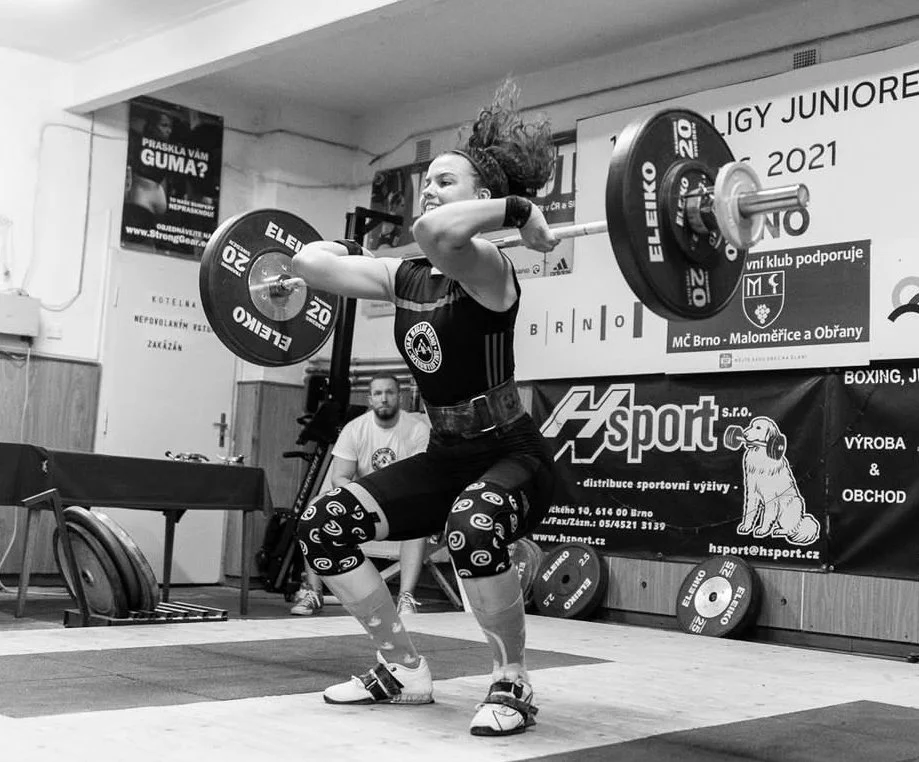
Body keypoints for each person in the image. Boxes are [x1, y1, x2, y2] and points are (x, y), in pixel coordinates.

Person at [291, 79, 558, 737]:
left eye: (445, 180)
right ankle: (401, 666)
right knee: (323, 524)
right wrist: (324, 254)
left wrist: (516, 213)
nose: (429, 189)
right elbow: (308, 264)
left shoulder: (492, 270)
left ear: (481, 199)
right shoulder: (404, 276)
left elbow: (437, 233)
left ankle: (512, 678)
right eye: (427, 181)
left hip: (510, 455)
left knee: (472, 526)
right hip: (445, 456)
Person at [291, 373, 431, 616]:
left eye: (389, 392)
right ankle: (313, 592)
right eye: (378, 393)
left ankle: (406, 597)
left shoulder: (418, 430)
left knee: (418, 522)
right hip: (364, 503)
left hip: (400, 504)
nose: (384, 398)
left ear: (400, 396)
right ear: (370, 399)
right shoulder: (355, 429)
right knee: (314, 510)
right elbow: (340, 477)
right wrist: (363, 499)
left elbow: (419, 479)